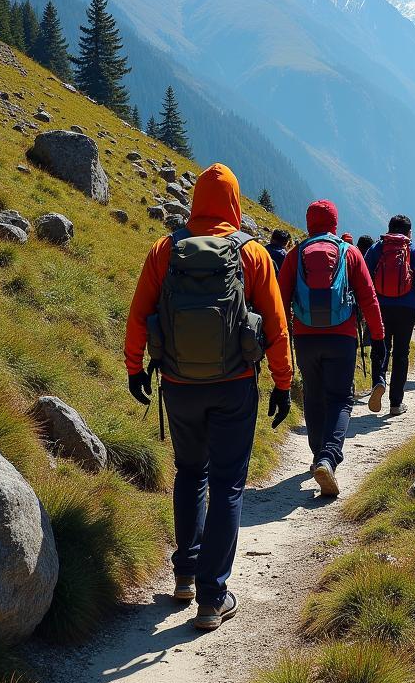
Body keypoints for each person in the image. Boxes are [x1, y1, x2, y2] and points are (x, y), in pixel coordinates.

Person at [124, 163, 291, 632]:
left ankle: (185, 574)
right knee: (227, 484)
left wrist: (134, 368)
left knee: (190, 472)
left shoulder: (165, 249)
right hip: (235, 385)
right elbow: (276, 327)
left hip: (178, 386)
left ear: (196, 201)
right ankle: (213, 597)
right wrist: (282, 383)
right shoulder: (252, 254)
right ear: (235, 203)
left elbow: (139, 315)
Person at [278, 200, 385, 497]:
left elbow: (279, 299)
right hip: (342, 337)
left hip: (306, 337)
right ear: (335, 223)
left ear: (309, 222)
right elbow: (368, 296)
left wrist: (278, 337)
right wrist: (378, 335)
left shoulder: (295, 254)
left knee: (313, 394)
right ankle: (329, 456)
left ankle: (317, 457)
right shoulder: (349, 252)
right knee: (340, 398)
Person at [364, 215, 415, 417]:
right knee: (401, 355)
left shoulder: (377, 249)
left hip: (380, 308)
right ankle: (396, 403)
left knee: (380, 348)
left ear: (389, 229)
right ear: (409, 232)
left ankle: (379, 381)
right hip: (407, 308)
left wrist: (363, 308)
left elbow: (364, 279)